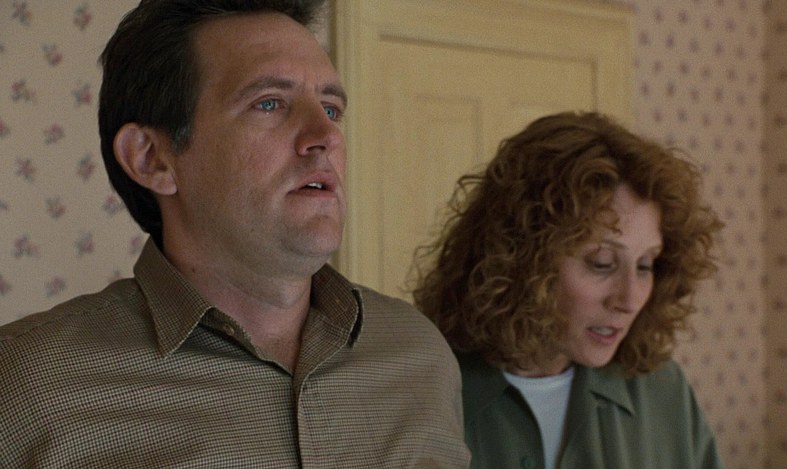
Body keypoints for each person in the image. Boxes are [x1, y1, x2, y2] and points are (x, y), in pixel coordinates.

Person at [0, 1, 469, 467]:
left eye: (330, 108)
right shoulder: (25, 386)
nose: (325, 135)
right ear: (152, 159)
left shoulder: (420, 356)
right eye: (269, 103)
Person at [411, 111, 725, 468]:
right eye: (601, 263)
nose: (630, 299)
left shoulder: (663, 392)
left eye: (645, 265)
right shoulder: (426, 394)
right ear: (522, 259)